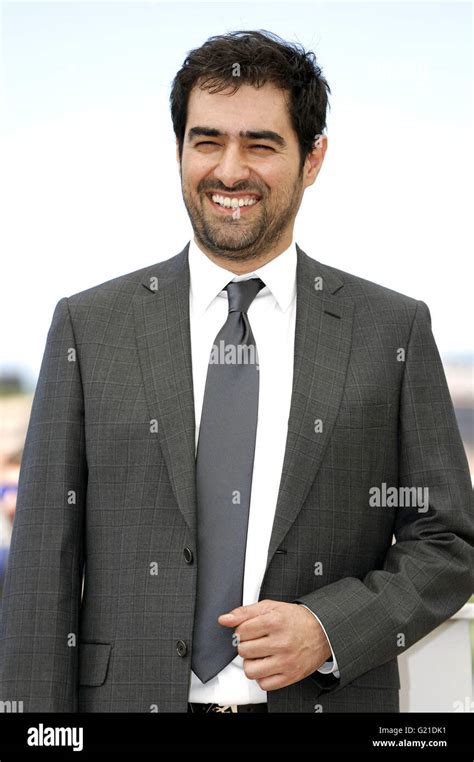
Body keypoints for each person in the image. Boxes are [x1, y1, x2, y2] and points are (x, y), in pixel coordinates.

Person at [0, 29, 472, 714]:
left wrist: (330, 628)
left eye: (260, 144)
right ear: (179, 151)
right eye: (206, 140)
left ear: (313, 160)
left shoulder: (390, 331)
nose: (229, 171)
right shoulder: (89, 327)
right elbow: (42, 569)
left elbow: (446, 540)